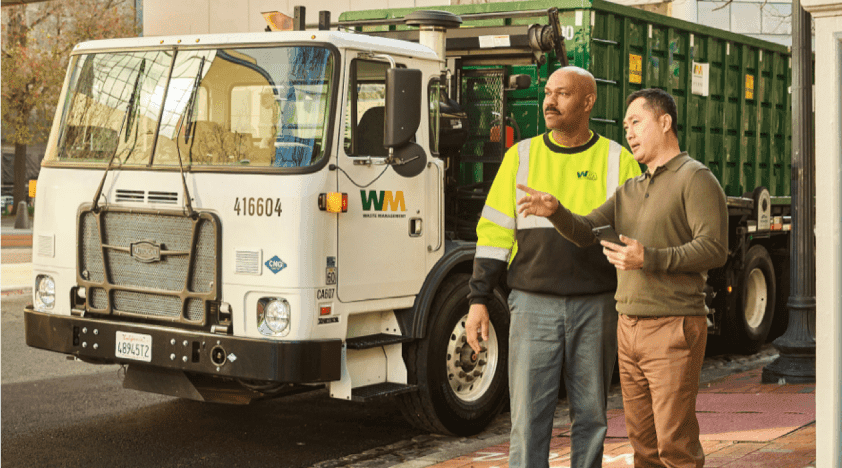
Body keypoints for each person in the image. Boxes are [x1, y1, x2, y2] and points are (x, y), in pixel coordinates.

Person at [515, 88, 728, 468]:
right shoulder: (631, 189)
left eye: (636, 122)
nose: (628, 132)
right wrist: (555, 210)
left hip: (672, 326)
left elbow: (713, 249)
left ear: (665, 123)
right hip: (628, 328)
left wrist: (650, 258)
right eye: (625, 125)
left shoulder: (695, 178)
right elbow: (585, 232)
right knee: (643, 446)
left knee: (674, 445)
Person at [465, 66, 641, 468]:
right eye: (548, 93)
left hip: (596, 307)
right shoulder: (520, 157)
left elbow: (636, 238)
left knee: (592, 417)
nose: (549, 101)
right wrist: (478, 300)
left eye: (561, 94)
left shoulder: (619, 161)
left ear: (587, 101)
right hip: (532, 305)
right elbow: (494, 232)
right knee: (527, 419)